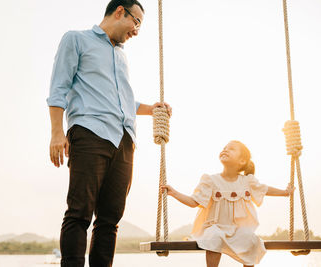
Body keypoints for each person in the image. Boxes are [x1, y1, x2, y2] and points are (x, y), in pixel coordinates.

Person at [46, 0, 172, 266]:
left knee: (110, 219)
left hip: (125, 140)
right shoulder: (76, 39)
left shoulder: (121, 55)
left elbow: (124, 100)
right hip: (90, 132)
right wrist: (57, 133)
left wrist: (152, 108)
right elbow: (59, 88)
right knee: (80, 212)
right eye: (136, 22)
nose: (136, 31)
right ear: (119, 12)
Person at [162, 140, 295, 267]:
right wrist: (174, 193)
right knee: (215, 236)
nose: (225, 149)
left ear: (242, 160)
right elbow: (193, 202)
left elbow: (265, 189)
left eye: (231, 148)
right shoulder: (210, 180)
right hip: (215, 226)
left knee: (251, 239)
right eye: (224, 147)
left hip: (238, 229)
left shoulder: (247, 181)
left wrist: (285, 192)